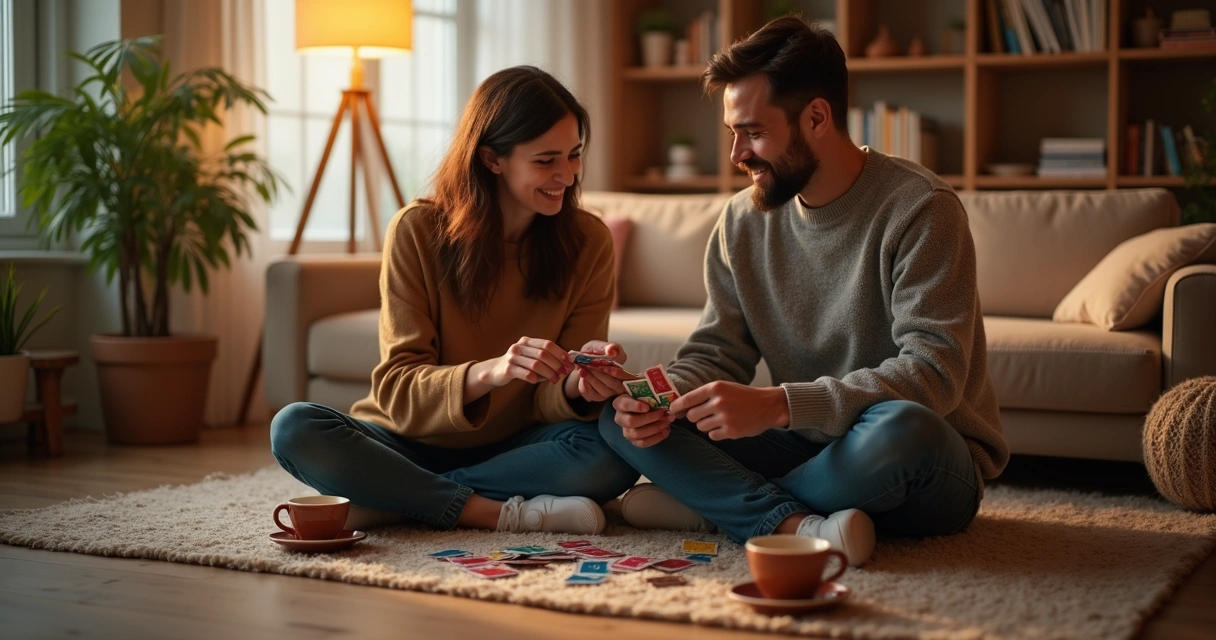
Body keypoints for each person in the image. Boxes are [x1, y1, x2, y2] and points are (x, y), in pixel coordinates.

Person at [599, 17, 1009, 566]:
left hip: (919, 460)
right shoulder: (740, 221)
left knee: (904, 429)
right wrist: (659, 397)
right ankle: (790, 519)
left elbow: (934, 374)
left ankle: (721, 507)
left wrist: (780, 404)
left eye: (754, 132)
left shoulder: (921, 208)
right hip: (807, 447)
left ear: (817, 117)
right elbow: (717, 351)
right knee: (616, 417)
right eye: (732, 133)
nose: (736, 155)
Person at [271, 66, 639, 536]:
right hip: (406, 440)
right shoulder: (417, 230)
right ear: (492, 159)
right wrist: (493, 371)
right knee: (295, 427)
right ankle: (482, 511)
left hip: (516, 448)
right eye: (546, 160)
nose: (566, 176)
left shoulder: (589, 240)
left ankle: (397, 499)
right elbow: (399, 389)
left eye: (574, 155)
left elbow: (554, 392)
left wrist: (579, 383)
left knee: (611, 452)